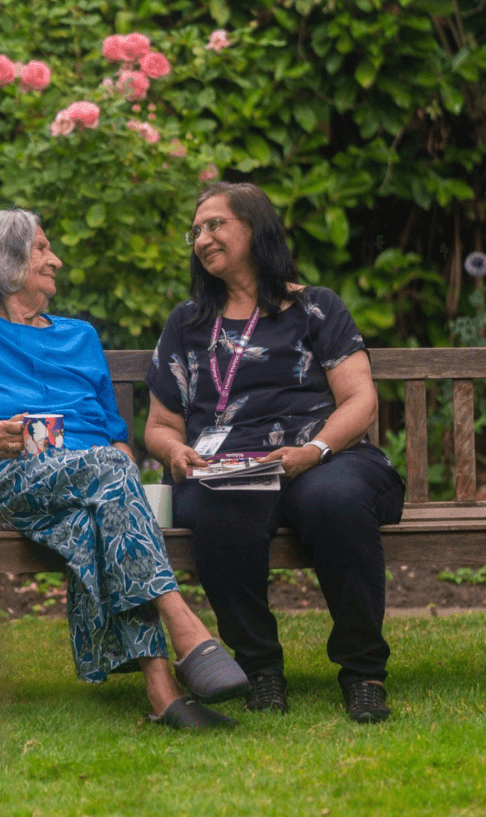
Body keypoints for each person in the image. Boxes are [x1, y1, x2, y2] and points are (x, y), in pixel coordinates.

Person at [0, 208, 250, 728]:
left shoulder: (79, 336)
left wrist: (126, 479)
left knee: (100, 512)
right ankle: (186, 628)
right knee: (107, 470)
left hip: (90, 486)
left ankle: (162, 692)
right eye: (41, 249)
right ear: (2, 259)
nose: (54, 259)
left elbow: (114, 437)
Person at [144, 183, 406, 723]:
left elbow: (360, 399)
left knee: (336, 503)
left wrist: (313, 450)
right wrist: (176, 451)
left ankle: (363, 674)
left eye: (215, 224)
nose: (202, 238)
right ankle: (260, 669)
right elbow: (160, 424)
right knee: (218, 512)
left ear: (255, 229)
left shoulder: (315, 307)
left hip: (323, 455)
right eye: (195, 231)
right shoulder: (188, 323)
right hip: (226, 469)